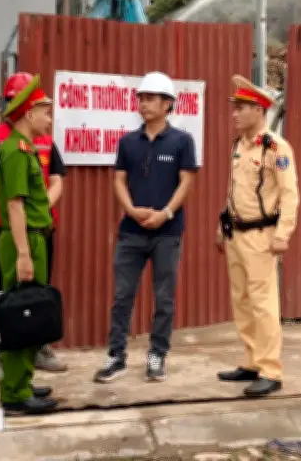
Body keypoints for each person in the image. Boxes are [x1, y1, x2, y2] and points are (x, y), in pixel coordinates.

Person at [94, 71, 198, 384]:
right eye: (141, 98)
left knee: (164, 298)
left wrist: (165, 213)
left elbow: (187, 181)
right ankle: (116, 356)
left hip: (167, 233)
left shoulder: (182, 141)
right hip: (131, 232)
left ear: (168, 104)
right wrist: (130, 210)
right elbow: (119, 180)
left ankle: (157, 356)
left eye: (151, 98)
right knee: (123, 296)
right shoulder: (128, 142)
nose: (144, 103)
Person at [0, 72, 68, 381]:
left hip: (40, 227)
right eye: (43, 108)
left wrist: (38, 209)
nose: (49, 116)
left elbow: (57, 181)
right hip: (4, 226)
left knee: (37, 292)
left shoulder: (44, 140)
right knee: (3, 291)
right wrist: (23, 213)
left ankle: (37, 348)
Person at [215, 75, 299, 397]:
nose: (234, 114)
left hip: (262, 236)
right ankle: (251, 360)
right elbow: (234, 191)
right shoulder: (239, 146)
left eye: (241, 108)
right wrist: (222, 227)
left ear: (259, 110)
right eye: (234, 108)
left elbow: (290, 194)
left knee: (263, 303)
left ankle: (270, 370)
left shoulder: (275, 147)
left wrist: (283, 234)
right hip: (236, 234)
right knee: (242, 300)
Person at [0, 74, 58, 413]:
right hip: (25, 240)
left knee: (30, 314)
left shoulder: (27, 148)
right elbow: (15, 205)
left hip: (33, 239)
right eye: (46, 112)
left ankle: (22, 382)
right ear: (29, 114)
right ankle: (15, 394)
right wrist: (22, 253)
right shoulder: (16, 152)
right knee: (22, 314)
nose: (50, 118)